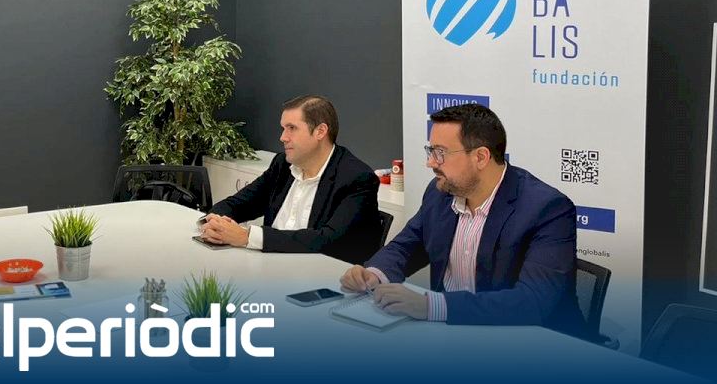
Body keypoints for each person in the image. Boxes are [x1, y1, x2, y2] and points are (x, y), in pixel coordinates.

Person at [340, 103, 585, 335]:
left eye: (440, 153)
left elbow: (532, 302)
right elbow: (406, 246)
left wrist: (432, 306)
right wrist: (374, 274)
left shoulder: (547, 209)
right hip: (451, 335)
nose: (430, 163)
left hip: (531, 344)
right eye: (430, 151)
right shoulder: (440, 193)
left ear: (481, 157)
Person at [199, 95, 381, 262]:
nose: (283, 137)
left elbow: (327, 240)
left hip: (322, 277)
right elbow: (240, 203)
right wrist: (215, 221)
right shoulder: (282, 165)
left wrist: (247, 237)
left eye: (292, 128)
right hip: (270, 266)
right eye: (283, 128)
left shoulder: (357, 178)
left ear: (320, 131)